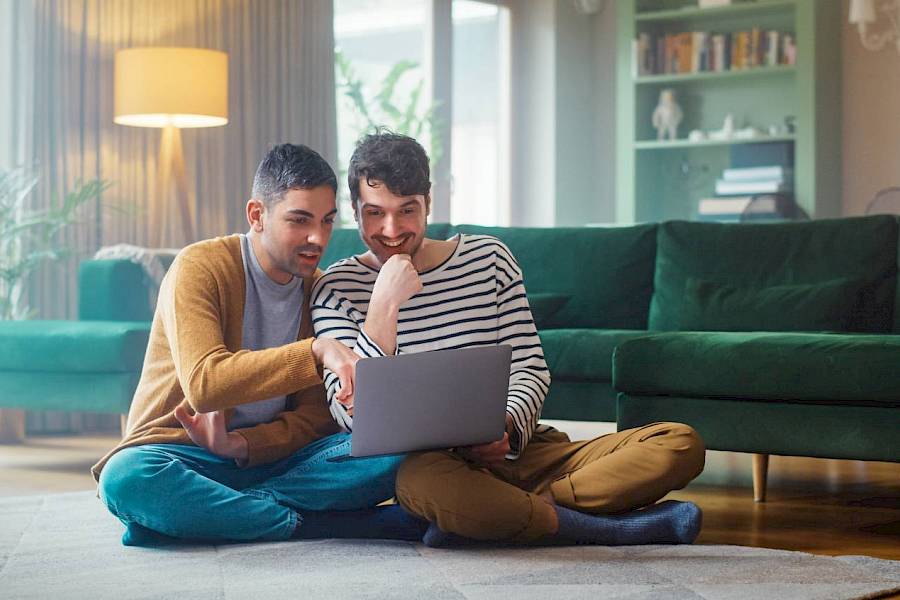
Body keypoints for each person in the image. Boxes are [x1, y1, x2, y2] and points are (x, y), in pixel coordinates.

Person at [311, 131, 707, 547]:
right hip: (433, 468)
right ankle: (597, 526)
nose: (391, 229)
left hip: (523, 451)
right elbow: (351, 418)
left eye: (406, 210)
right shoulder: (335, 288)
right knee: (419, 482)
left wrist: (507, 427)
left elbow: (530, 368)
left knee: (679, 444)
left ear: (428, 203)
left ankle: (502, 514)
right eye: (374, 213)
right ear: (354, 212)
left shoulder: (489, 259)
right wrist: (383, 307)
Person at [93, 143, 426, 546]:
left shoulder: (318, 288)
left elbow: (315, 418)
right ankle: (329, 526)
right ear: (257, 215)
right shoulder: (199, 267)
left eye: (326, 221)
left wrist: (243, 444)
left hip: (275, 463)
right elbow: (205, 383)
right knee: (126, 478)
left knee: (399, 448)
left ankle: (215, 514)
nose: (316, 238)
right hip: (184, 457)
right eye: (299, 220)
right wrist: (315, 351)